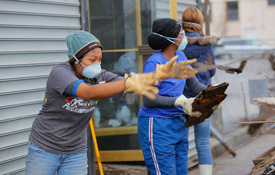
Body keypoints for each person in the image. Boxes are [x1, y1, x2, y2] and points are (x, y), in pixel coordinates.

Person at [25, 30, 196, 175]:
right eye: (92, 60)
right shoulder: (60, 73)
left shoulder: (100, 76)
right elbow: (88, 92)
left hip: (75, 150)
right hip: (45, 147)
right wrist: (132, 82)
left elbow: (129, 82)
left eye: (100, 59)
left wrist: (156, 76)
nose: (97, 64)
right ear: (75, 60)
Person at [138, 18, 210, 175]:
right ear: (171, 39)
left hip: (178, 123)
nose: (184, 36)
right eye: (181, 33)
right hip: (157, 126)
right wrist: (177, 101)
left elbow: (195, 85)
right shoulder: (154, 63)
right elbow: (149, 99)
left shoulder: (181, 57)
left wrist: (213, 93)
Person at [182, 7, 217, 175]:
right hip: (203, 97)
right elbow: (212, 71)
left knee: (180, 141)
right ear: (200, 22)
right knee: (203, 142)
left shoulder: (178, 44)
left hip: (181, 99)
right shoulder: (206, 44)